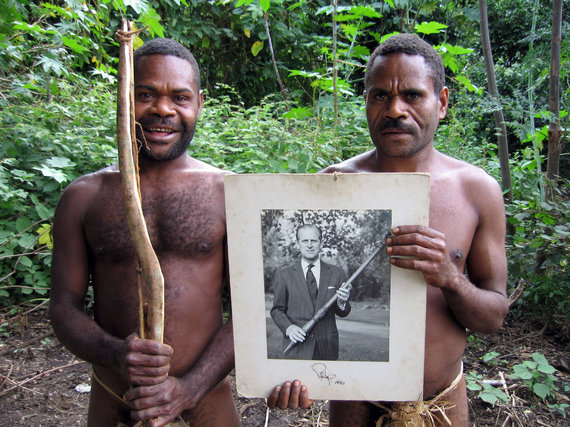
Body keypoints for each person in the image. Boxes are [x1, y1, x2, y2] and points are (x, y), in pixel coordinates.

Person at [268, 33, 509, 426]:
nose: (395, 109)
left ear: (442, 102)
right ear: (366, 102)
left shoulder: (476, 190)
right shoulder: (334, 184)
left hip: (441, 405)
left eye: (412, 95)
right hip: (354, 404)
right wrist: (286, 379)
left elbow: (493, 318)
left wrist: (450, 277)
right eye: (380, 95)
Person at [49, 38, 239, 427]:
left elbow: (253, 309)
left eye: (180, 98)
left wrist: (189, 387)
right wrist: (117, 352)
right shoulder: (84, 198)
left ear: (199, 103)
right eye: (145, 94)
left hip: (207, 405)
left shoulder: (229, 194)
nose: (162, 109)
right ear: (123, 97)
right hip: (117, 404)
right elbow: (63, 308)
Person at [270, 224, 352, 360]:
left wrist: (342, 302)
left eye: (314, 241)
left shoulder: (337, 273)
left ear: (321, 243)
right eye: (305, 241)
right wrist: (289, 328)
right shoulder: (284, 275)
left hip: (327, 348)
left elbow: (343, 312)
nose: (309, 245)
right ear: (298, 244)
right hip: (296, 347)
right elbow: (277, 310)